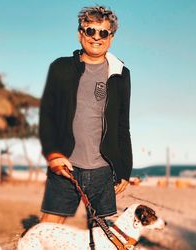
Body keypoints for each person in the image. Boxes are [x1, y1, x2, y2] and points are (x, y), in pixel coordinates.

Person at [39, 5, 132, 224]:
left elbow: (122, 125)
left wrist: (124, 169)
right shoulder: (60, 68)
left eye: (103, 32)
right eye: (90, 31)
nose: (96, 37)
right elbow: (47, 116)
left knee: (104, 237)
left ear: (111, 37)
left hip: (103, 169)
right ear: (80, 34)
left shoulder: (121, 74)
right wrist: (53, 156)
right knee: (48, 231)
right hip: (65, 165)